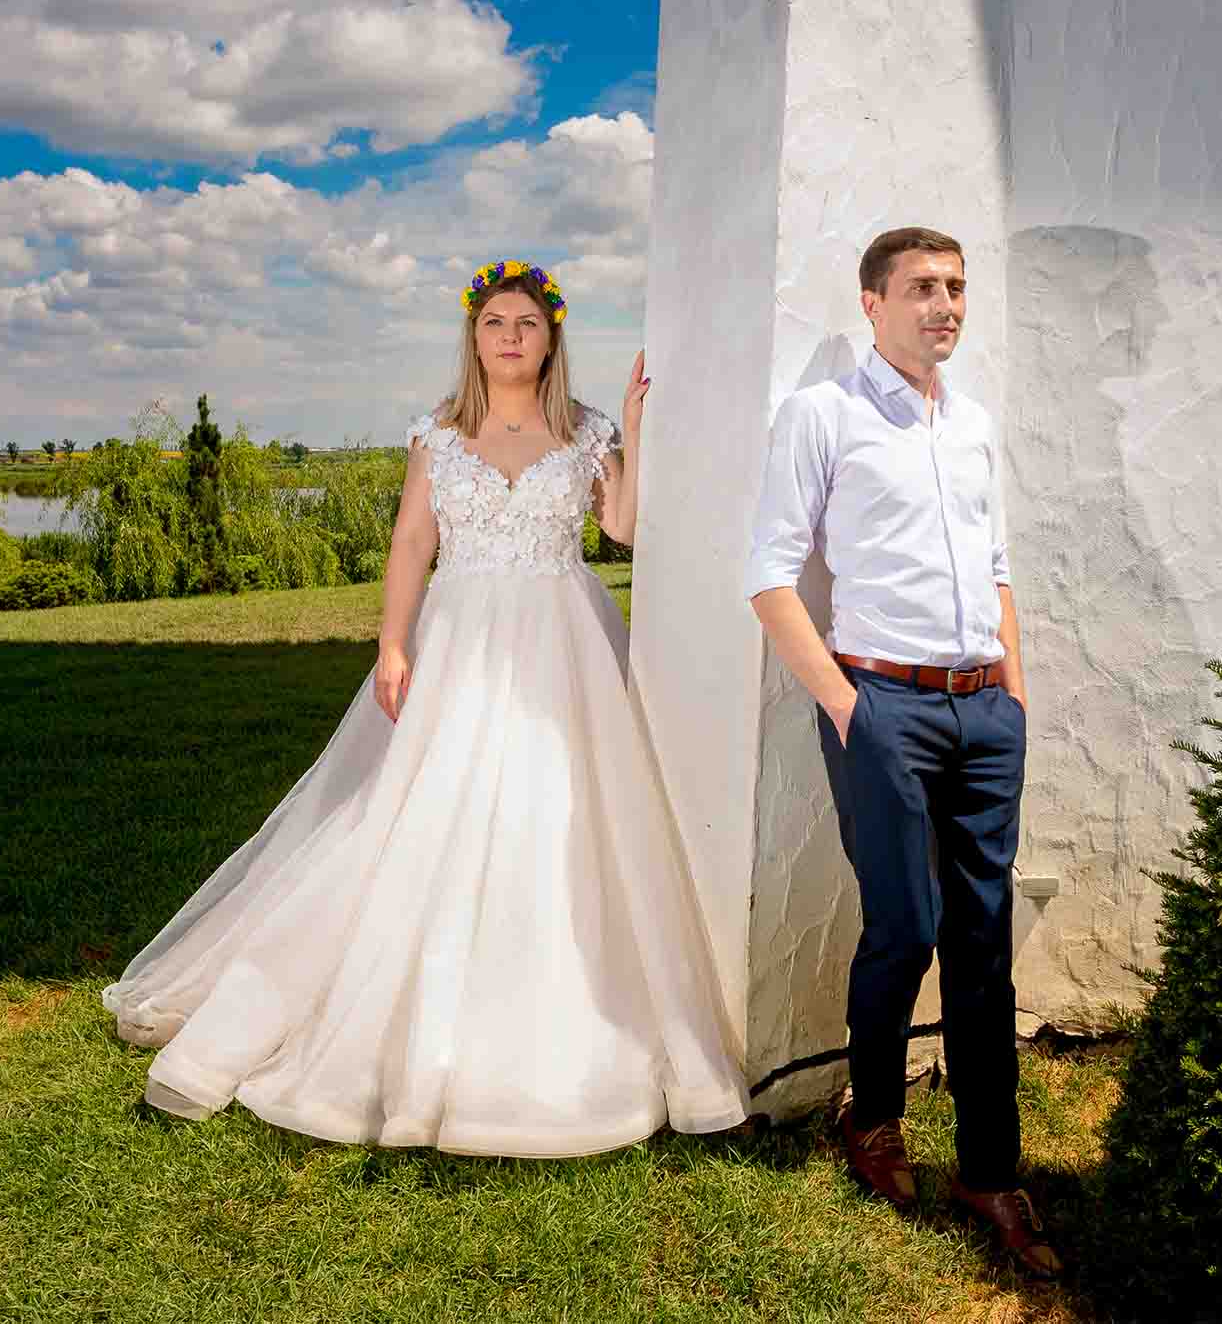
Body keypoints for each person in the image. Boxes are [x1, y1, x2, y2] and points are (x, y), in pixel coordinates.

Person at [103, 259, 747, 1157]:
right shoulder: (438, 436)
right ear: (473, 338)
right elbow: (412, 539)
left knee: (562, 812)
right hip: (462, 635)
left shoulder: (589, 429)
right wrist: (393, 642)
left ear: (551, 337)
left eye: (526, 323)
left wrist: (635, 432)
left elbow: (624, 531)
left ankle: (553, 1012)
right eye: (494, 324)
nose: (510, 336)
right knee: (418, 811)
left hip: (562, 635)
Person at [744, 228, 1061, 1277]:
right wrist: (845, 703)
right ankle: (872, 1113)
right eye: (923, 287)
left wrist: (1010, 693)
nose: (946, 305)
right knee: (907, 923)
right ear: (873, 303)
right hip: (882, 703)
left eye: (957, 288)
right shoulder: (822, 415)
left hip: (982, 714)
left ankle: (989, 1166)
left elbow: (998, 565)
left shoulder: (969, 425)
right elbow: (769, 573)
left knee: (981, 937)